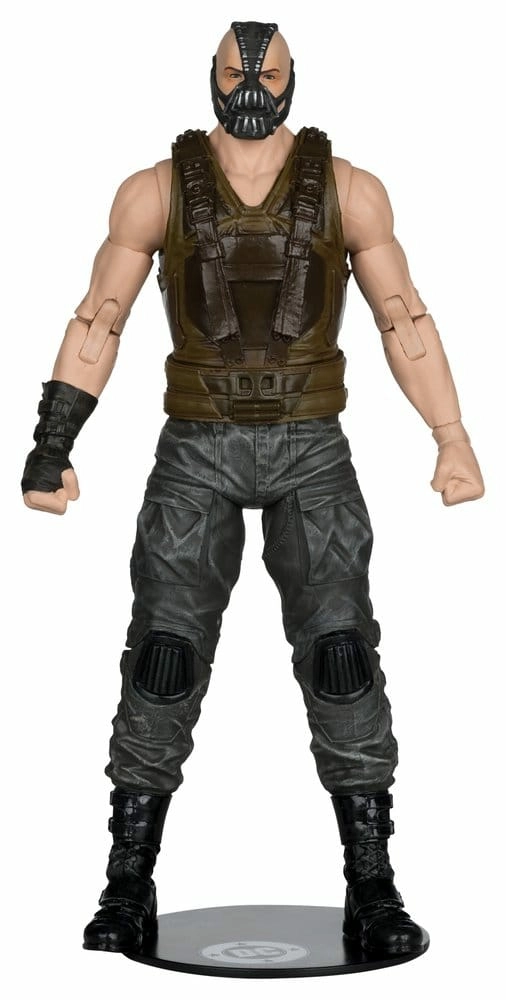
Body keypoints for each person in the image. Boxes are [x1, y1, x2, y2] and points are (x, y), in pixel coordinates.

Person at [21, 21, 484, 958]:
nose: (250, 89)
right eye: (237, 72)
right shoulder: (156, 190)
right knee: (164, 655)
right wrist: (53, 441)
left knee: (341, 654)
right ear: (212, 76)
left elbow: (404, 318)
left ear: (292, 79)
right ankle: (127, 884)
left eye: (265, 74)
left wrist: (451, 437)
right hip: (199, 442)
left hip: (310, 444)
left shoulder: (349, 188)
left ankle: (373, 886)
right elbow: (99, 317)